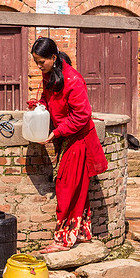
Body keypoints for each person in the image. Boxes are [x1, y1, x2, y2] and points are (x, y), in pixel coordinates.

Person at [29, 37, 108, 253]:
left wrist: (56, 132)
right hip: (66, 138)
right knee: (77, 188)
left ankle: (63, 239)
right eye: (36, 62)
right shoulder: (49, 75)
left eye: (41, 62)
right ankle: (81, 232)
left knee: (65, 187)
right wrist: (40, 107)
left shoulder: (73, 79)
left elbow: (82, 115)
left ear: (53, 57)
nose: (38, 66)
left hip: (78, 140)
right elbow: (47, 98)